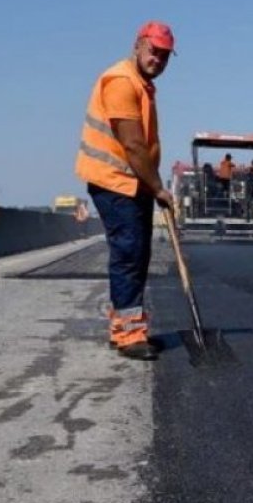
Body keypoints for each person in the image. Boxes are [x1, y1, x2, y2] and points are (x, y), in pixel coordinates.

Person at [74, 21, 176, 361]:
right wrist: (159, 188)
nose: (158, 60)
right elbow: (133, 145)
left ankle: (126, 328)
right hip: (114, 181)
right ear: (138, 45)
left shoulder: (143, 85)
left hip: (131, 183)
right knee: (129, 253)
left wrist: (151, 186)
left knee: (136, 254)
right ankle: (130, 336)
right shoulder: (121, 81)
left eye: (164, 56)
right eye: (153, 51)